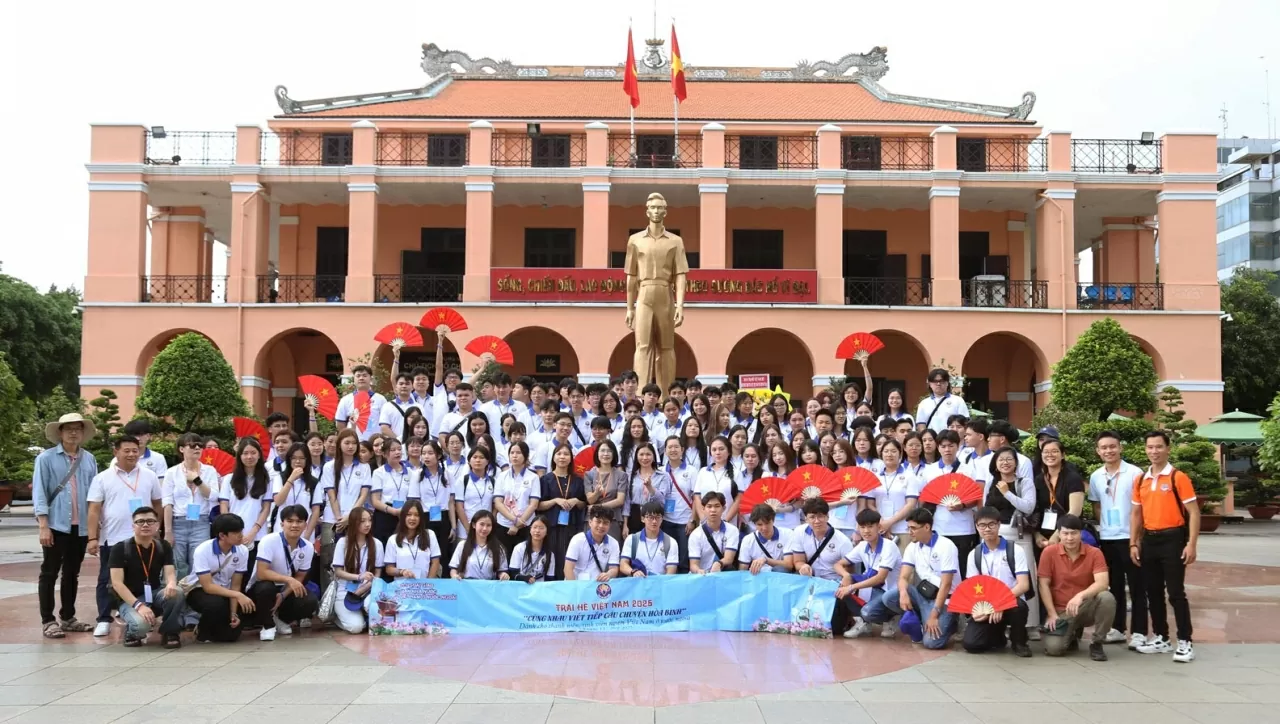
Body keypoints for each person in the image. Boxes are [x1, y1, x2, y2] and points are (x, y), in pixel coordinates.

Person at [1130, 430, 1198, 662]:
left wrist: (1191, 544)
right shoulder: (1141, 479)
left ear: (1168, 448)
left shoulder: (1178, 477)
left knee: (1176, 593)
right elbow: (1136, 514)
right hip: (1149, 540)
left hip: (1173, 539)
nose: (1154, 451)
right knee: (1153, 591)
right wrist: (1134, 543)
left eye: (1158, 447)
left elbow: (1194, 512)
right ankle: (1161, 637)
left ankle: (1185, 641)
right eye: (1150, 447)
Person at [87, 435, 163, 638]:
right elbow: (94, 509)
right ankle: (104, 619)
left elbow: (157, 503)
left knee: (147, 577)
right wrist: (92, 537)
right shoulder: (102, 478)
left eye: (135, 450)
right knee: (106, 580)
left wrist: (158, 528)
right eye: (126, 450)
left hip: (144, 539)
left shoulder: (149, 475)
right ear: (116, 452)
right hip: (112, 539)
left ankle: (145, 616)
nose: (131, 454)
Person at [34, 413, 101, 638]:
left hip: (80, 526)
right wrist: (43, 524)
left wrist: (95, 528)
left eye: (78, 428)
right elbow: (39, 492)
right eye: (68, 428)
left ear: (83, 433)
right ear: (60, 432)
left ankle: (68, 617)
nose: (73, 432)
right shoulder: (46, 458)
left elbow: (95, 495)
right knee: (49, 572)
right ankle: (47, 620)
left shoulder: (89, 459)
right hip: (56, 525)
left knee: (72, 572)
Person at [860, 508, 958, 649]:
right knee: (889, 597)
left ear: (927, 527)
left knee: (932, 643)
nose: (909, 532)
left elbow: (946, 584)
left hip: (944, 600)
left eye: (913, 528)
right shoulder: (912, 547)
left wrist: (934, 614)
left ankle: (951, 623)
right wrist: (904, 593)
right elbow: (904, 577)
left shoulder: (946, 546)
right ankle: (919, 620)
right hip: (923, 595)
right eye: (908, 528)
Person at [1088, 430, 1148, 649]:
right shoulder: (1096, 476)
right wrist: (1105, 525)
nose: (1108, 451)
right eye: (1103, 448)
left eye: (1112, 446)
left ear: (1120, 447)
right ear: (1098, 451)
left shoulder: (1135, 473)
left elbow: (1141, 509)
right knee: (1113, 586)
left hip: (1129, 537)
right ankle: (1117, 628)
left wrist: (1137, 538)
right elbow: (1096, 504)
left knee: (1137, 586)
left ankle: (1140, 631)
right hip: (1107, 538)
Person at [1038, 514, 1115, 660]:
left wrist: (1080, 596)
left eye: (1074, 533)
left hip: (1085, 605)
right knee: (1054, 649)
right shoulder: (1049, 552)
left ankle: (1097, 642)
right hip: (1061, 610)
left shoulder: (1094, 553)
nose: (1069, 538)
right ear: (1059, 534)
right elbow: (1043, 584)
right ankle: (1072, 634)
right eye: (1065, 533)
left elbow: (1102, 583)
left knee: (1106, 597)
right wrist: (1051, 613)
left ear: (1081, 534)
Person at [107, 505, 183, 648]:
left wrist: (171, 583)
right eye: (140, 521)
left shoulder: (163, 546)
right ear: (133, 526)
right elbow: (117, 584)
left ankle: (169, 632)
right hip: (129, 600)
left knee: (177, 592)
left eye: (150, 521)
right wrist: (139, 605)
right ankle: (132, 631)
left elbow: (169, 571)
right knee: (141, 626)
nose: (145, 525)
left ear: (157, 525)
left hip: (154, 594)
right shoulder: (120, 548)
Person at [962, 507, 1032, 657]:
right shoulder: (974, 554)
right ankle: (997, 636)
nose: (987, 529)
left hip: (1011, 601)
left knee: (1019, 607)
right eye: (982, 525)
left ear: (999, 525)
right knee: (971, 645)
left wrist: (999, 603)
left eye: (991, 524)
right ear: (976, 527)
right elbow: (973, 588)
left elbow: (1023, 585)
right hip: (987, 605)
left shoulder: (1015, 550)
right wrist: (979, 610)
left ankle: (1019, 641)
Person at [247, 504, 320, 641]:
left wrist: (283, 594)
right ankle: (268, 625)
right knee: (266, 588)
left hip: (285, 588)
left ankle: (281, 619)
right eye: (290, 521)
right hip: (262, 586)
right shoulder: (269, 540)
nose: (294, 525)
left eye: (299, 521)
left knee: (309, 601)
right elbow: (262, 572)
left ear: (305, 524)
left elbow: (300, 576)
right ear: (282, 524)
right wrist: (289, 580)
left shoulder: (308, 546)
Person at [183, 513, 255, 643]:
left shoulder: (242, 551)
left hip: (227, 592)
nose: (241, 535)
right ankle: (202, 631)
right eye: (236, 532)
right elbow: (208, 586)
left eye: (241, 531)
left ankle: (218, 626)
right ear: (222, 535)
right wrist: (238, 595)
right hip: (200, 590)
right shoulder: (203, 550)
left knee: (231, 635)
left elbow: (236, 584)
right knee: (215, 605)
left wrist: (234, 613)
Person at [836, 509, 903, 638]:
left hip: (890, 592)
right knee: (840, 588)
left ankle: (890, 618)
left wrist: (851, 587)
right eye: (862, 527)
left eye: (870, 526)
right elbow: (838, 564)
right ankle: (864, 623)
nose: (866, 531)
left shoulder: (889, 546)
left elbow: (880, 578)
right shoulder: (862, 546)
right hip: (872, 589)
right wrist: (846, 576)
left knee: (868, 611)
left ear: (879, 527)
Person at [162, 433, 218, 582]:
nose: (197, 448)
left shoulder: (210, 470)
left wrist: (198, 481)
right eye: (192, 445)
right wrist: (168, 531)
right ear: (181, 449)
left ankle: (195, 599)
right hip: (178, 522)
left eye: (200, 445)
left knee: (198, 563)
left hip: (201, 522)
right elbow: (167, 503)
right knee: (177, 564)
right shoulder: (171, 473)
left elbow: (213, 496)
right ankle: (178, 599)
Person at [218, 438, 273, 577]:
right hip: (232, 534)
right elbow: (224, 505)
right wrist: (228, 529)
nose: (249, 457)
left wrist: (253, 532)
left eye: (253, 453)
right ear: (240, 456)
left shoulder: (267, 480)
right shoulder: (229, 479)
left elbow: (266, 508)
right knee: (231, 573)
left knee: (252, 574)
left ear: (259, 455)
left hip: (257, 534)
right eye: (245, 453)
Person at [537, 443, 587, 580]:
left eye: (566, 454)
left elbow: (584, 504)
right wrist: (555, 501)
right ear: (553, 458)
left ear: (571, 458)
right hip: (552, 527)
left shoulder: (578, 480)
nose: (562, 457)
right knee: (552, 559)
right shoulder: (545, 480)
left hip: (572, 526)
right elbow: (538, 505)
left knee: (569, 558)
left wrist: (576, 501)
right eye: (559, 454)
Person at [331, 507, 384, 633]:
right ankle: (338, 618)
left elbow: (377, 573)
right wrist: (359, 577)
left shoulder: (377, 544)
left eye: (369, 520)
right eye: (362, 521)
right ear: (354, 523)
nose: (367, 524)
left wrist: (369, 583)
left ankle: (365, 615)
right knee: (356, 628)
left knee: (372, 611)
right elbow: (338, 572)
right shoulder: (343, 543)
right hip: (346, 591)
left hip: (368, 590)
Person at [494, 441, 542, 555]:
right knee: (503, 557)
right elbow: (498, 503)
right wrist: (514, 520)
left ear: (525, 456)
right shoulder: (502, 476)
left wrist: (518, 524)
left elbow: (533, 504)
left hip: (525, 525)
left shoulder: (533, 477)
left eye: (518, 453)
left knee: (523, 556)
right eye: (512, 452)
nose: (514, 455)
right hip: (504, 524)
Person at [371, 439, 418, 543]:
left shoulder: (410, 473)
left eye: (399, 449)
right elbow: (375, 501)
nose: (397, 452)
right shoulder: (379, 473)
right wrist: (394, 511)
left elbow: (412, 498)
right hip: (385, 514)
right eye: (393, 450)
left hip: (405, 515)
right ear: (384, 454)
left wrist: (404, 512)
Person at [384, 500, 442, 579]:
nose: (412, 518)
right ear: (403, 516)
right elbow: (389, 569)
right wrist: (402, 572)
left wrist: (428, 584)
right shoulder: (393, 539)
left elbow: (435, 562)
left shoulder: (430, 535)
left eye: (416, 515)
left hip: (425, 586)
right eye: (409, 515)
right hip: (402, 587)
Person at [621, 500, 679, 577]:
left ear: (662, 519)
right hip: (637, 583)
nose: (654, 521)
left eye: (658, 517)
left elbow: (671, 572)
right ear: (642, 519)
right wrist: (633, 572)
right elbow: (623, 564)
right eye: (650, 517)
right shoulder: (632, 539)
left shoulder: (671, 542)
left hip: (660, 584)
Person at [564, 506, 621, 581]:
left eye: (605, 523)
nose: (601, 526)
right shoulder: (577, 539)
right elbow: (568, 568)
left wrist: (608, 574)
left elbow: (614, 569)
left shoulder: (614, 543)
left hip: (596, 586)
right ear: (590, 522)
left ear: (610, 525)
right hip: (576, 584)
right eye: (598, 521)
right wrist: (575, 588)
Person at [687, 492, 739, 574]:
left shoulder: (732, 530)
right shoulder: (695, 535)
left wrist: (719, 563)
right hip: (702, 576)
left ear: (724, 508)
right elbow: (693, 564)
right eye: (709, 506)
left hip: (722, 575)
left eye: (717, 506)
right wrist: (699, 571)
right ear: (703, 509)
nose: (713, 510)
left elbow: (729, 559)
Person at [450, 511, 510, 580]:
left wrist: (503, 575)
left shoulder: (498, 548)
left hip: (489, 586)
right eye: (482, 524)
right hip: (467, 585)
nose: (485, 528)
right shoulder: (462, 545)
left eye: (488, 525)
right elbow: (454, 568)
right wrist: (454, 575)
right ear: (474, 525)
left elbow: (501, 571)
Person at [336, 364, 388, 441]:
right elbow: (340, 423)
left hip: (375, 443)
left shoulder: (380, 399)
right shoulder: (346, 400)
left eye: (364, 375)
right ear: (354, 379)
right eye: (358, 376)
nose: (361, 378)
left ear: (371, 379)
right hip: (354, 443)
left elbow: (386, 422)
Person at [737, 503, 793, 574]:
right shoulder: (748, 540)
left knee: (780, 569)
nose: (764, 528)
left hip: (780, 576)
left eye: (767, 523)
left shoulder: (787, 534)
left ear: (773, 520)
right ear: (754, 524)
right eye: (759, 524)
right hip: (757, 576)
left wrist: (766, 560)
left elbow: (789, 565)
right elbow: (743, 568)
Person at [914, 368, 969, 433]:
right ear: (930, 384)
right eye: (935, 381)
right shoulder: (924, 403)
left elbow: (965, 422)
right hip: (932, 440)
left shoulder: (958, 401)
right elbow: (921, 425)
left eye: (942, 381)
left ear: (947, 383)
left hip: (952, 440)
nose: (938, 384)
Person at [509, 515, 556, 583]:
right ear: (530, 530)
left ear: (547, 532)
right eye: (535, 527)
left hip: (539, 590)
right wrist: (524, 578)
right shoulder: (519, 548)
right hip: (521, 589)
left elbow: (550, 578)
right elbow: (513, 573)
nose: (537, 531)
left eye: (541, 528)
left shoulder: (550, 554)